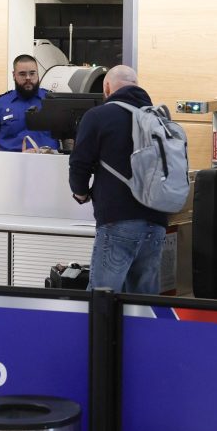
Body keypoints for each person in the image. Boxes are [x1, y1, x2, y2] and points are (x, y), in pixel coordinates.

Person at [69, 65, 168, 294]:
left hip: (118, 220)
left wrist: (81, 192)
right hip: (157, 222)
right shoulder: (159, 118)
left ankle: (98, 332)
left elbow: (80, 163)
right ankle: (141, 332)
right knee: (143, 302)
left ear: (106, 87)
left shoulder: (98, 116)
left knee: (102, 298)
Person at [0, 54, 58, 152]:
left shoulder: (52, 102)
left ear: (38, 74)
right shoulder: (1, 104)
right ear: (14, 75)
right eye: (22, 74)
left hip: (47, 162)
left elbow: (68, 137)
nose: (28, 78)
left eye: (32, 73)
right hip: (9, 164)